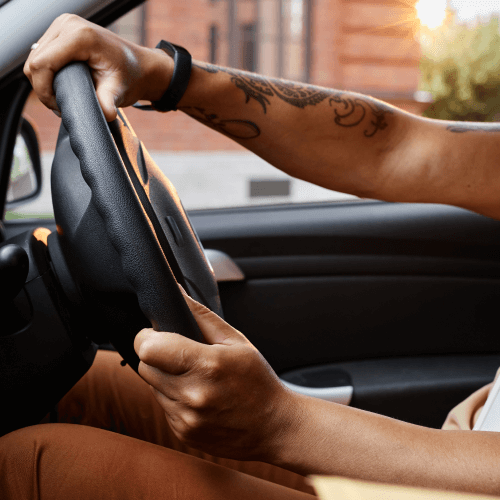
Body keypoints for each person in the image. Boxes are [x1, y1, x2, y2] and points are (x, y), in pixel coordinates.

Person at [2, 12, 500, 500]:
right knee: (89, 391)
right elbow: (396, 148)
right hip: (446, 470)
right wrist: (165, 75)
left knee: (26, 472)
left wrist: (281, 422)